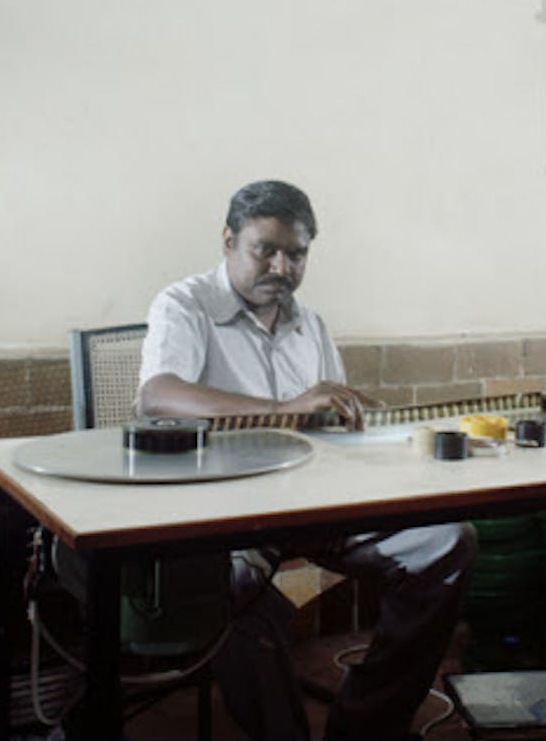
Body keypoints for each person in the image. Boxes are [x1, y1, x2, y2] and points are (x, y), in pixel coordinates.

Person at [138, 179, 476, 740]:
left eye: (296, 255)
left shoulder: (309, 323)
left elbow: (327, 423)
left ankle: (365, 725)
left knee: (446, 541)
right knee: (239, 593)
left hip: (312, 503)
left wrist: (352, 422)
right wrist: (283, 409)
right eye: (265, 250)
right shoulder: (185, 304)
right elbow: (160, 395)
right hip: (226, 514)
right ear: (228, 240)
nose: (282, 267)